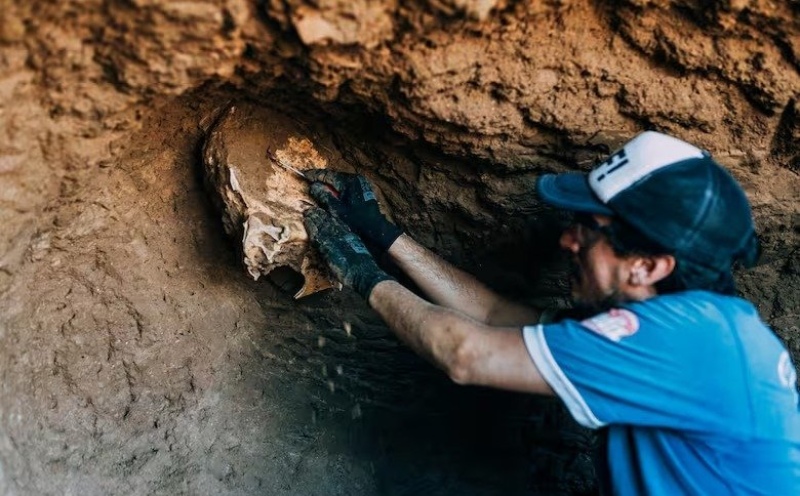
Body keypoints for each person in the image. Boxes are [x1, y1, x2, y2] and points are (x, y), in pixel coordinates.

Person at [301, 131, 800, 494]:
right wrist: (381, 235)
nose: (567, 240)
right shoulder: (692, 330)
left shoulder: (685, 343)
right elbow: (497, 315)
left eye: (587, 228)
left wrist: (361, 273)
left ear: (647, 265)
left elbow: (466, 353)